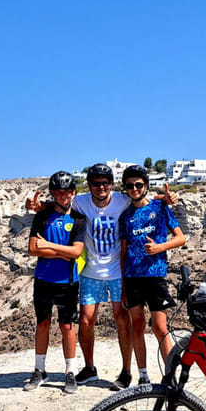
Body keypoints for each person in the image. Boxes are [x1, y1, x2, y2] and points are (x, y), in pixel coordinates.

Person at [27, 164, 176, 389]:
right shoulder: (81, 201)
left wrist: (165, 198)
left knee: (122, 319)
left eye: (105, 183)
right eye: (96, 183)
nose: (101, 187)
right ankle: (89, 368)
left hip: (117, 271)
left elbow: (139, 195)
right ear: (89, 186)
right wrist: (40, 205)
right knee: (86, 320)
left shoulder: (121, 200)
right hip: (91, 272)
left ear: (111, 184)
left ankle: (126, 372)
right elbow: (62, 200)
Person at [118, 164, 185, 389]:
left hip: (155, 275)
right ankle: (143, 375)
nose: (134, 189)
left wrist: (160, 248)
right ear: (125, 188)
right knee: (137, 325)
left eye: (138, 185)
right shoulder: (125, 216)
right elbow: (123, 252)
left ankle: (171, 376)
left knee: (159, 326)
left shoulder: (160, 206)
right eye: (130, 186)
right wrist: (123, 285)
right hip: (133, 276)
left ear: (145, 185)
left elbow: (180, 238)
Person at [25, 171, 86, 393]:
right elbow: (33, 249)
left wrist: (51, 249)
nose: (63, 196)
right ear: (53, 193)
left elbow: (77, 252)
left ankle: (70, 372)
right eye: (59, 192)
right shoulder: (42, 216)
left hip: (67, 281)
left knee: (67, 326)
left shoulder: (79, 219)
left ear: (73, 192)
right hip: (43, 279)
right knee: (42, 323)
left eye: (68, 191)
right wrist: (65, 252)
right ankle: (39, 370)